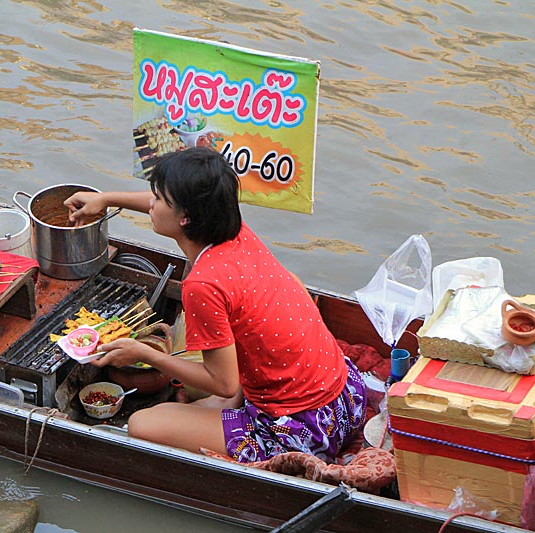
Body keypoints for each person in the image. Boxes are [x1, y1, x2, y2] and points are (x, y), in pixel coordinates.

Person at [63, 146, 366, 463]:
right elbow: (162, 208)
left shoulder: (202, 284)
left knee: (141, 423)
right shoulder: (235, 231)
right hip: (347, 398)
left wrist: (144, 353)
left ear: (186, 218)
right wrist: (107, 199)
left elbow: (223, 383)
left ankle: (245, 421)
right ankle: (233, 409)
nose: (150, 203)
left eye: (159, 198)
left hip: (304, 429)